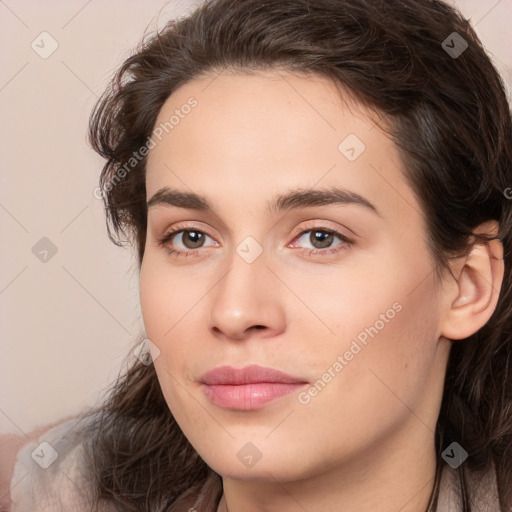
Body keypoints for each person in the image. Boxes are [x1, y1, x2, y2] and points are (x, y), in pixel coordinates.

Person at [5, 0, 512, 510]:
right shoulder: (58, 489)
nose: (235, 312)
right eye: (191, 237)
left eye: (320, 237)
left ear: (467, 284)